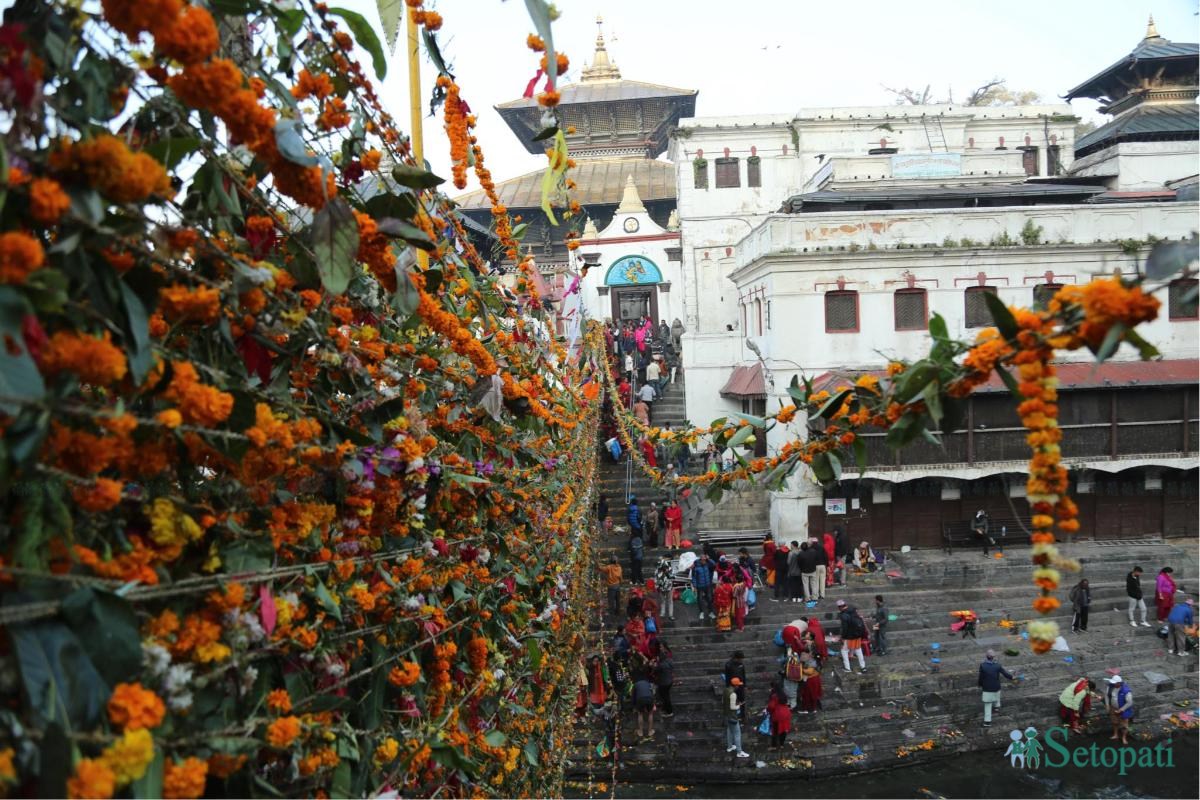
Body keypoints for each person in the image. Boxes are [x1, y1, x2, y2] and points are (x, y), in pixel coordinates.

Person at [977, 649, 1016, 728]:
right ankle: (997, 707)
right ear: (994, 657)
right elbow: (1005, 674)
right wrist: (1012, 677)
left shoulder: (983, 665)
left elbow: (981, 677)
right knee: (997, 695)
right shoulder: (997, 665)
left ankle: (987, 722)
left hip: (987, 688)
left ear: (986, 656)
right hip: (996, 687)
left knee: (988, 705)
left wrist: (980, 684)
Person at [836, 599, 868, 674]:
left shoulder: (844, 615)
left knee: (844, 651)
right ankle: (863, 667)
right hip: (857, 635)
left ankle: (847, 668)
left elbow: (845, 628)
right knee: (858, 650)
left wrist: (842, 637)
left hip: (849, 637)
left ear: (840, 607)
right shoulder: (854, 611)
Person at [1104, 675, 1134, 744]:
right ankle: (1115, 735)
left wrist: (1121, 710)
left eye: (1115, 683)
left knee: (1124, 725)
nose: (1113, 684)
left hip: (1123, 710)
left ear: (1119, 683)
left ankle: (1124, 737)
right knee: (1114, 722)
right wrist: (1107, 705)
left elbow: (1129, 702)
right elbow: (1106, 695)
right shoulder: (1110, 687)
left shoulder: (1126, 691)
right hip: (1113, 708)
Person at [724, 678, 749, 757]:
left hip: (726, 714)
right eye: (738, 685)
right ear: (735, 686)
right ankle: (739, 752)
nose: (738, 686)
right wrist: (739, 705)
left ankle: (729, 747)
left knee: (729, 730)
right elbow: (733, 707)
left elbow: (723, 702)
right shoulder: (733, 694)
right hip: (732, 716)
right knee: (737, 734)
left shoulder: (726, 690)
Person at [653, 639, 675, 717]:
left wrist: (654, 665)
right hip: (669, 680)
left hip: (664, 681)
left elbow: (656, 669)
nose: (660, 648)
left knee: (665, 697)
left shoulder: (662, 664)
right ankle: (666, 709)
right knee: (666, 696)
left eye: (661, 647)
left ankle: (669, 711)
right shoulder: (668, 661)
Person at [691, 552, 715, 621]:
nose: (704, 561)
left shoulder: (708, 564)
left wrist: (709, 559)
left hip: (708, 585)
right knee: (700, 599)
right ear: (700, 559)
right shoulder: (696, 566)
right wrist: (695, 586)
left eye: (705, 559)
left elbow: (714, 564)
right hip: (700, 586)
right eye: (703, 559)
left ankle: (711, 612)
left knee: (710, 599)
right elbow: (694, 577)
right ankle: (701, 612)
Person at [632, 673, 656, 738]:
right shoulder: (648, 683)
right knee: (650, 713)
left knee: (640, 714)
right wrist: (654, 703)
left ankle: (640, 732)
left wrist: (634, 706)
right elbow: (652, 693)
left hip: (640, 699)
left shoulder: (635, 685)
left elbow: (633, 697)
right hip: (650, 698)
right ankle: (650, 731)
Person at [655, 556, 675, 622]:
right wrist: (657, 587)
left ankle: (670, 615)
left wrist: (668, 574)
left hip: (669, 587)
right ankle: (662, 613)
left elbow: (673, 577)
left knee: (670, 601)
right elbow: (656, 579)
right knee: (662, 601)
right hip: (661, 588)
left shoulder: (670, 569)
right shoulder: (657, 570)